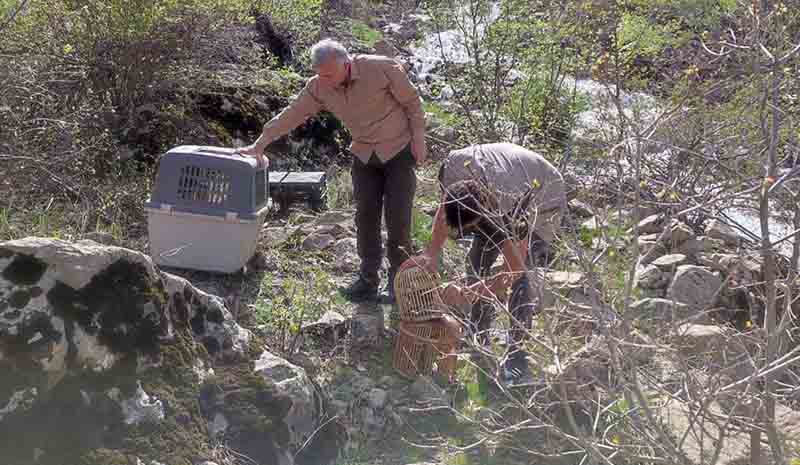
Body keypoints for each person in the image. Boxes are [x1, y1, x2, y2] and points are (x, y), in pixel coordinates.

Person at [238, 39, 426, 304]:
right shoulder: (318, 86)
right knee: (365, 217)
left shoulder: (382, 68)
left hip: (398, 150)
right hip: (364, 154)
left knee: (398, 218)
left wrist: (419, 137)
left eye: (329, 74)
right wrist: (260, 144)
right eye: (319, 74)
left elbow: (412, 102)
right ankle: (368, 279)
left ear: (346, 63)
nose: (324, 80)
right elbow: (292, 114)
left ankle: (398, 281)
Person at [399, 142, 566, 386]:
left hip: (541, 193)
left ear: (482, 214)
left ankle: (517, 354)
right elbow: (445, 210)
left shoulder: (513, 205)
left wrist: (470, 292)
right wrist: (431, 253)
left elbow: (514, 269)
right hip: (497, 184)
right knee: (477, 259)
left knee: (523, 278)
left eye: (470, 227)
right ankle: (479, 331)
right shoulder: (456, 169)